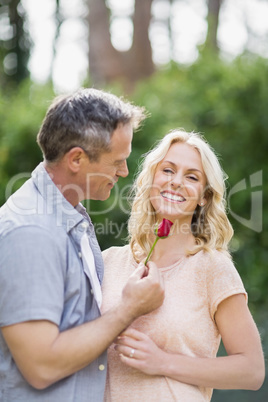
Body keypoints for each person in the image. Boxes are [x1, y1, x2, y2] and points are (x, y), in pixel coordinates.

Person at [0, 88, 164, 401]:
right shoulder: (30, 232)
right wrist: (128, 310)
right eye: (117, 161)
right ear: (76, 158)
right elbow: (41, 366)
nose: (124, 171)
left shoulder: (69, 216)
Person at [101, 129, 265, 401]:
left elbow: (251, 370)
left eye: (191, 177)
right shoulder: (108, 261)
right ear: (152, 179)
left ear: (203, 196)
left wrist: (162, 362)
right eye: (167, 170)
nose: (176, 182)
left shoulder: (213, 268)